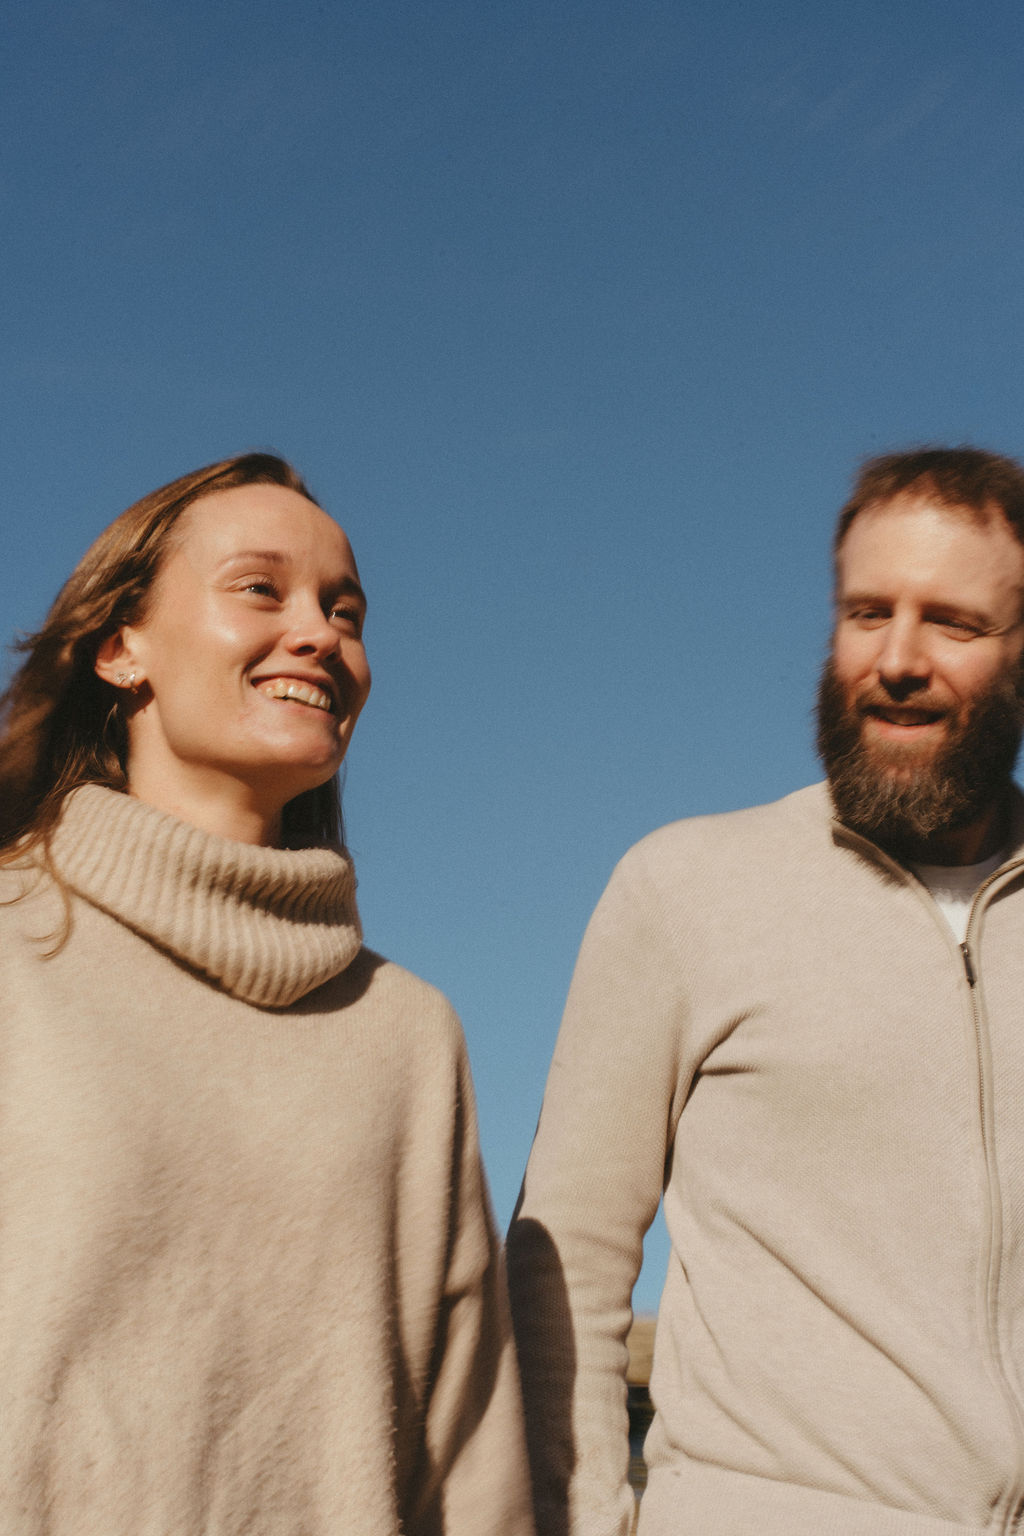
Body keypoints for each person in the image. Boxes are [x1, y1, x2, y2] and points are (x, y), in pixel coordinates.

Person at [0, 453, 534, 1536]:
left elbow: (471, 1454)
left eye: (346, 612)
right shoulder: (12, 945)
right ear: (120, 647)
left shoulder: (407, 1036)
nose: (319, 635)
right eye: (260, 589)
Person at [507, 446, 1024, 1536]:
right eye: (867, 613)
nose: (898, 658)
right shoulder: (684, 889)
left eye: (953, 623)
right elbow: (567, 1265)